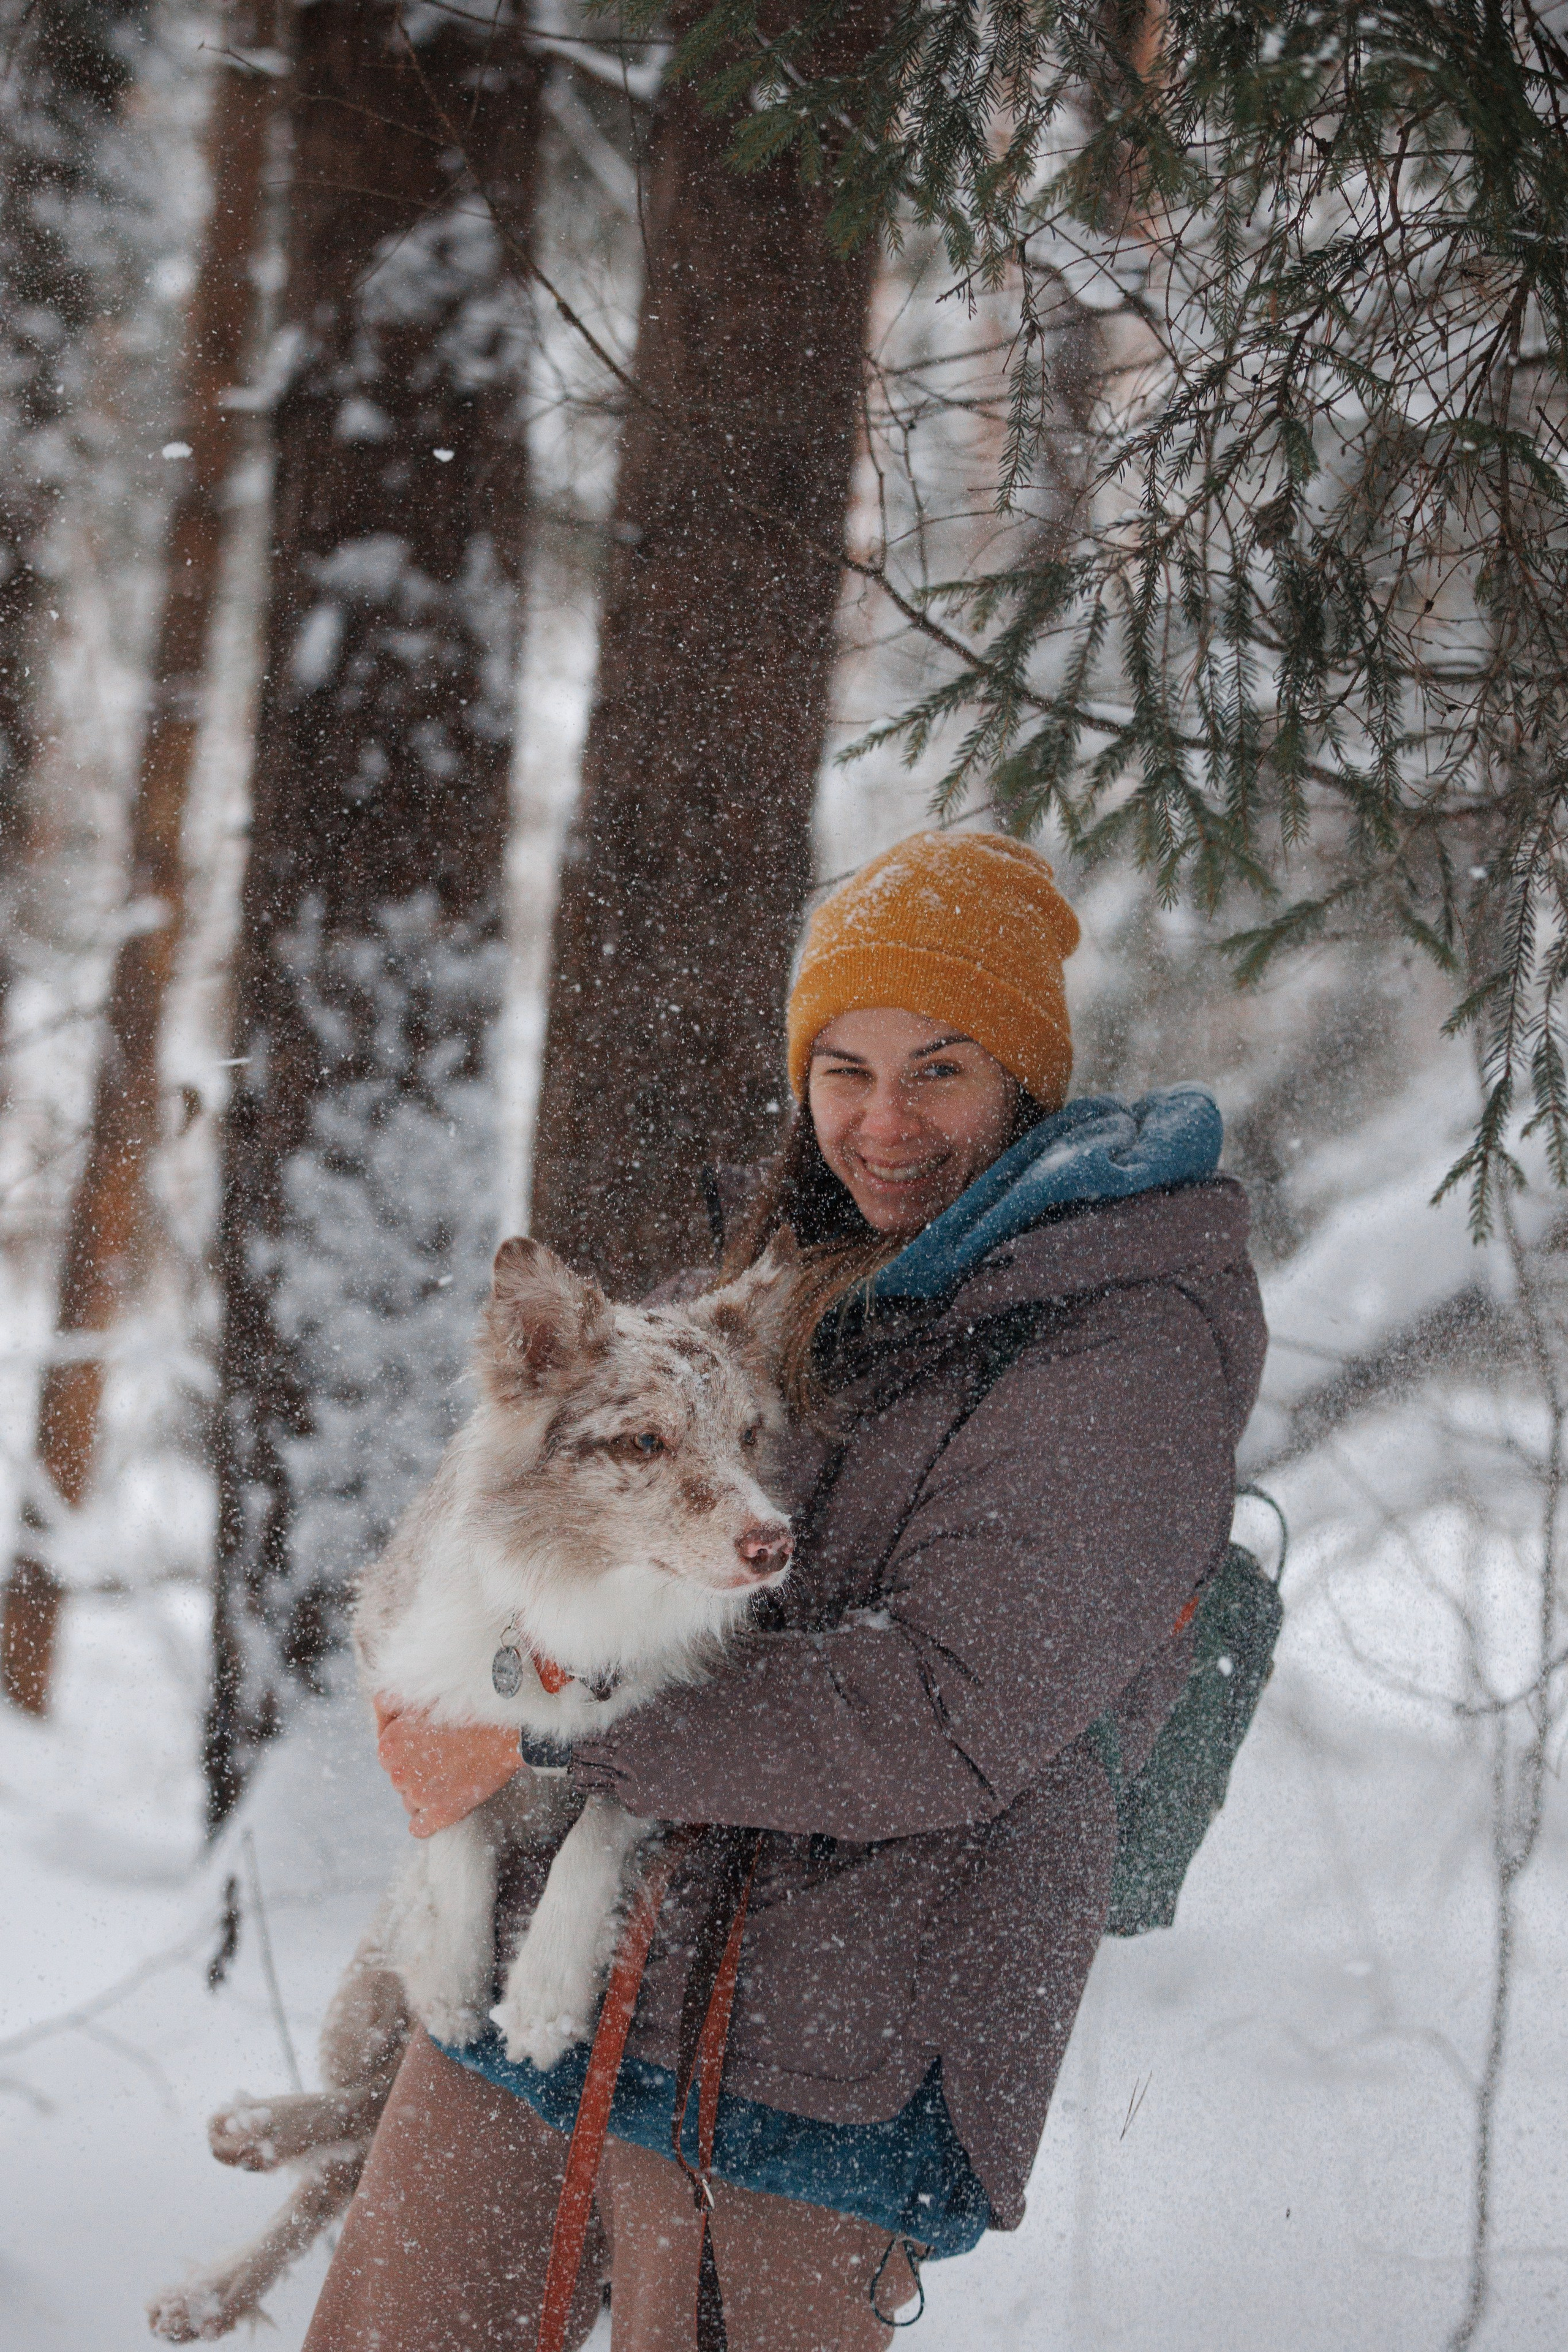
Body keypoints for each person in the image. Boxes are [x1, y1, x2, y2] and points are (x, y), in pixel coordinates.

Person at [304, 831, 1266, 2351]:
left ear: (1022, 1078)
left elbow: (945, 1712)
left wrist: (551, 1718)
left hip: (822, 2053)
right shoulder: (769, 1281)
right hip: (536, 1988)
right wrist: (447, 1672)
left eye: (938, 1070)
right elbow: (501, 1535)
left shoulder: (1117, 1346)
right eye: (843, 1068)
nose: (881, 1123)